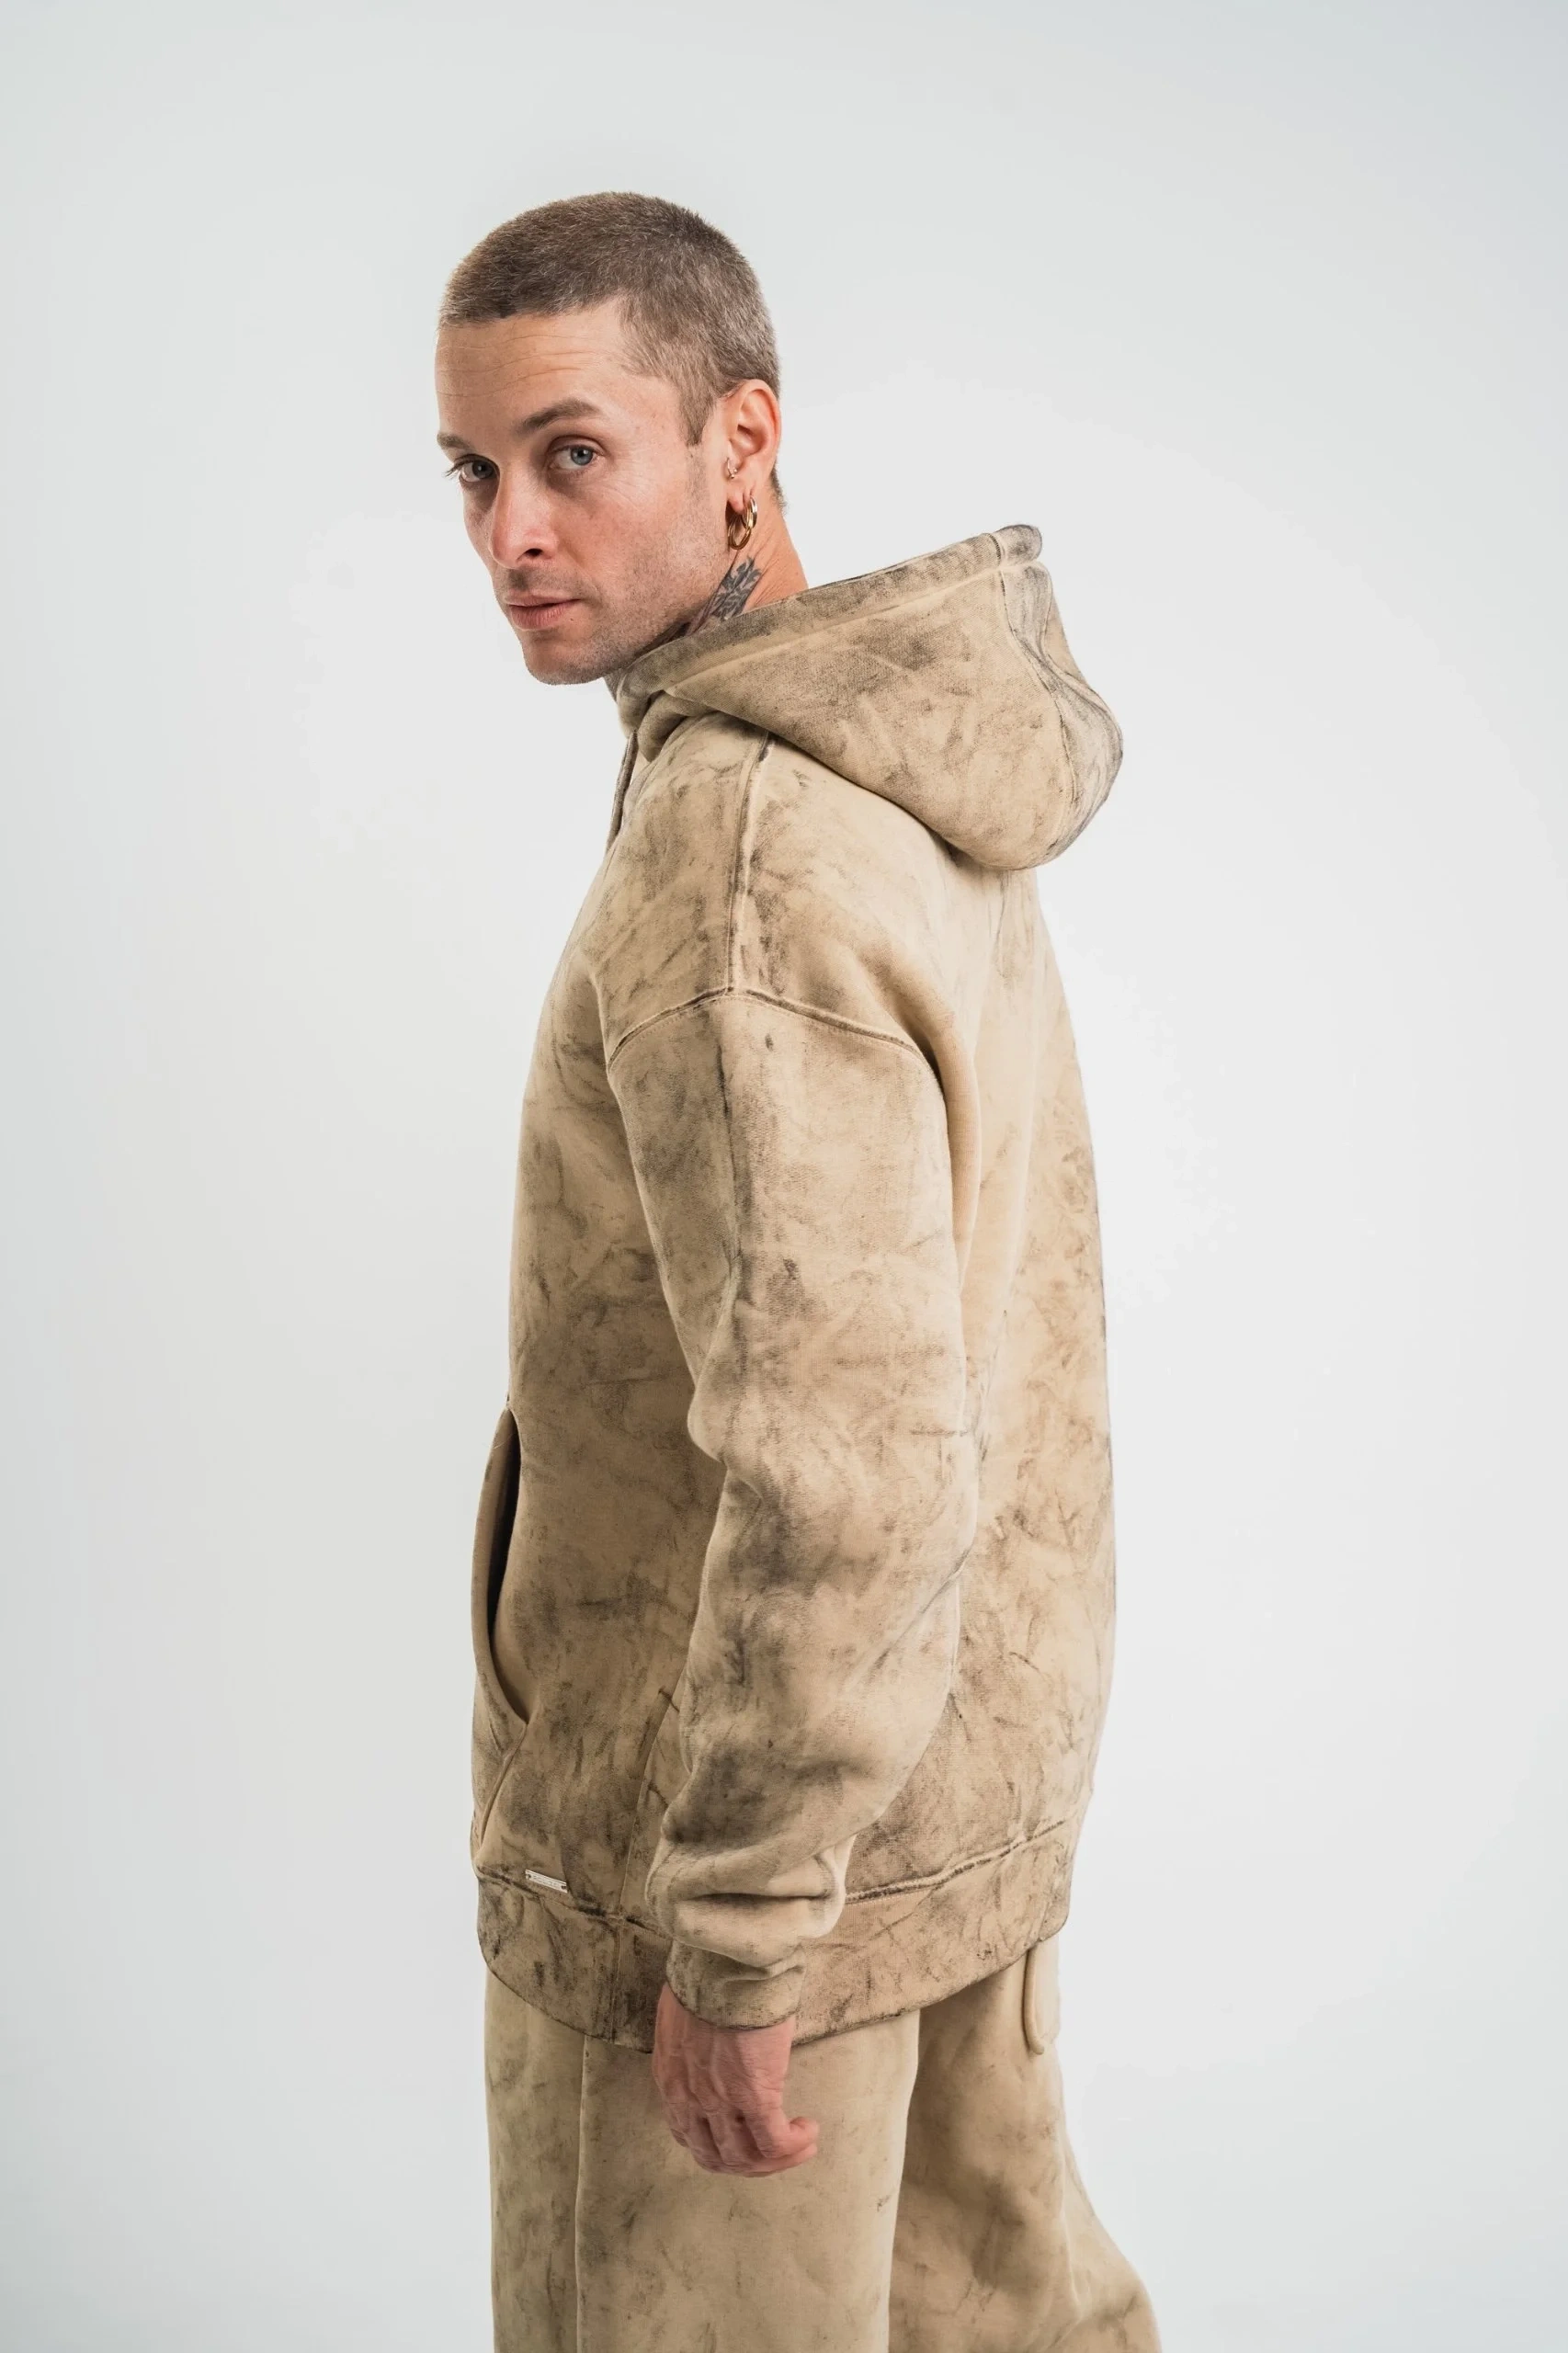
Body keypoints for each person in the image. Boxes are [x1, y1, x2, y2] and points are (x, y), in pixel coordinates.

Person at [436, 190, 1159, 2353]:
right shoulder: (906, 781)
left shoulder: (743, 846)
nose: (511, 535)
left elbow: (844, 1456)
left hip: (744, 1898)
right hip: (945, 1831)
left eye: (574, 454)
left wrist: (739, 1932)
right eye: (473, 473)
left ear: (739, 439)